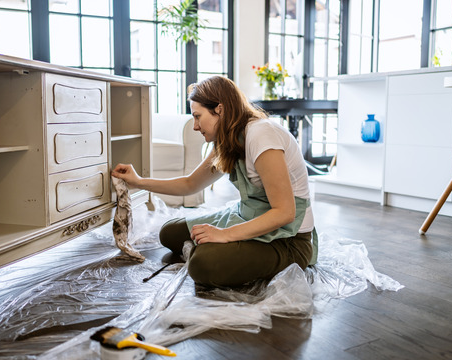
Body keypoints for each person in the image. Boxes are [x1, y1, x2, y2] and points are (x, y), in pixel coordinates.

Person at [111, 76, 317, 289]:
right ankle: (225, 250)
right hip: (249, 216)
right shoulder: (228, 139)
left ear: (220, 109)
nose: (195, 126)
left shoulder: (262, 135)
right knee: (169, 232)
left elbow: (284, 213)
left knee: (203, 265)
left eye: (198, 116)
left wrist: (224, 235)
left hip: (289, 239)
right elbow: (190, 184)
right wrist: (139, 182)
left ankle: (219, 252)